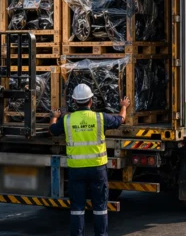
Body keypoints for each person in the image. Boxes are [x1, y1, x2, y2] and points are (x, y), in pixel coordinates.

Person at [50, 84, 129, 236]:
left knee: (77, 209)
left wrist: (54, 116)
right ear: (91, 100)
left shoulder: (67, 120)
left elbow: (53, 130)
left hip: (76, 170)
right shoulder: (100, 118)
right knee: (100, 208)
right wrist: (124, 106)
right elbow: (120, 120)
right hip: (97, 169)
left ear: (74, 101)